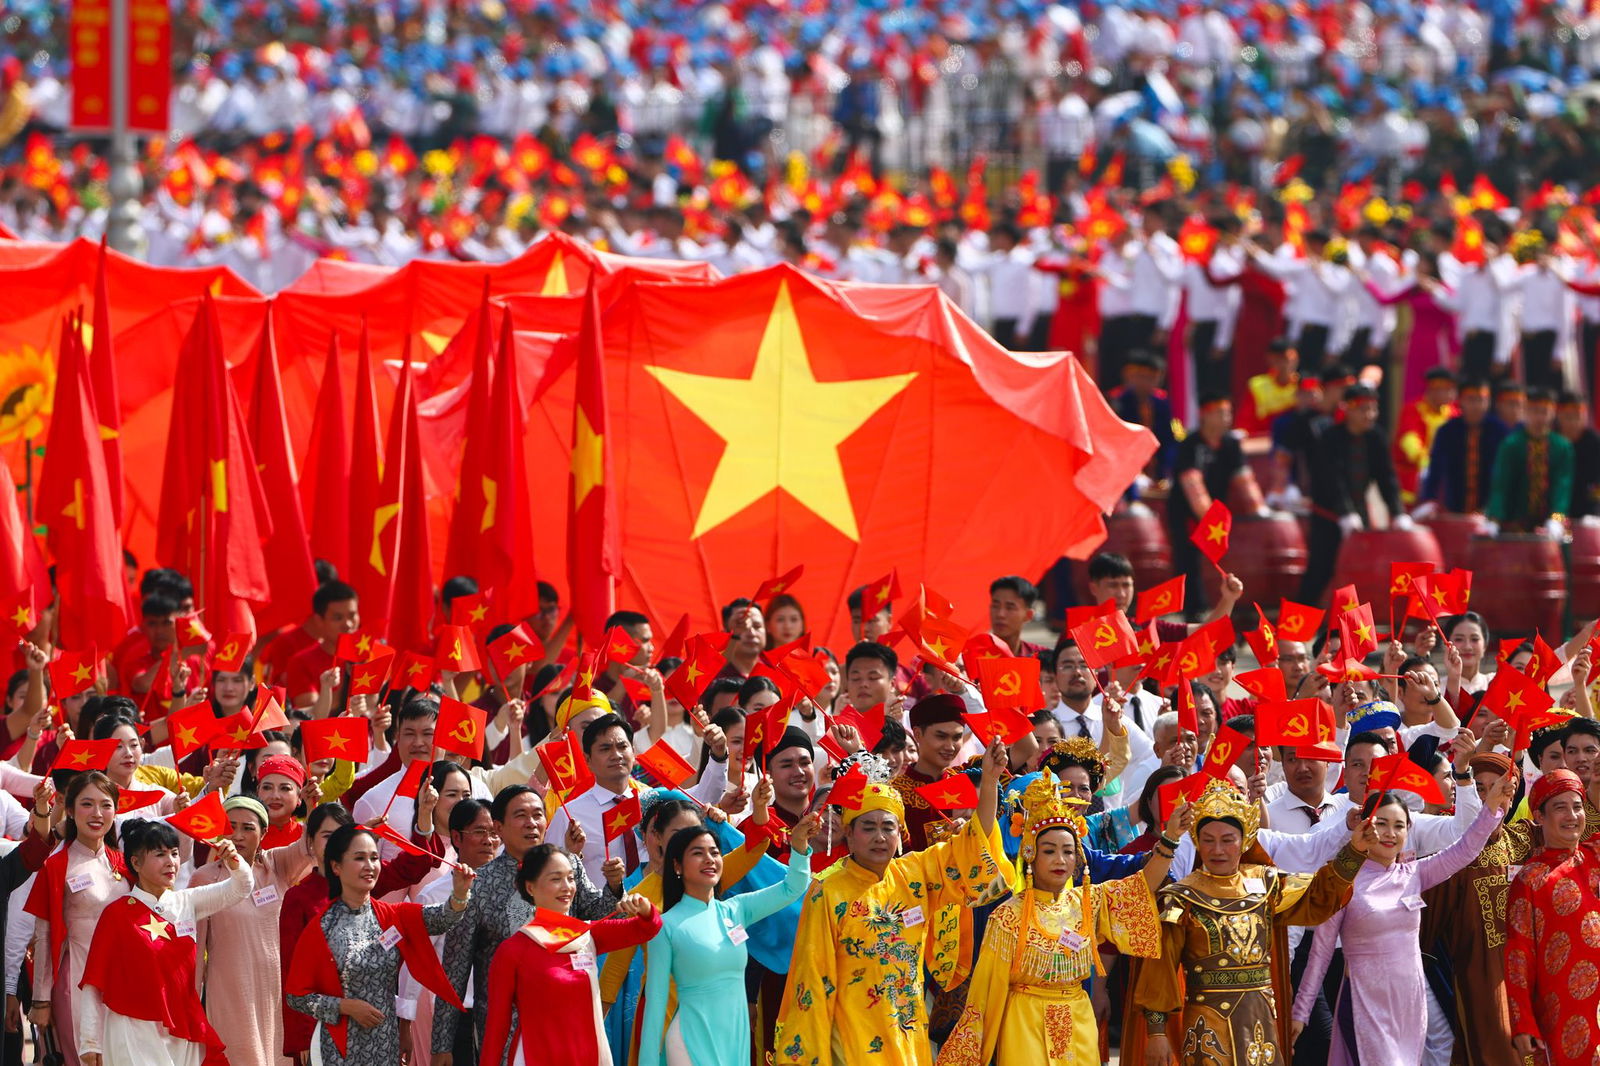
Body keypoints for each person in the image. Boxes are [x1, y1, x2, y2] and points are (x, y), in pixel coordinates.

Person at [773, 742, 1014, 1066]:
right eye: (868, 828)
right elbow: (813, 976)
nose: (879, 837)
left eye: (887, 827)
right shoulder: (828, 890)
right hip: (850, 1035)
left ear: (900, 833)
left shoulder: (914, 873)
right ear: (849, 832)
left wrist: (988, 781)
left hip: (906, 1028)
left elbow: (972, 846)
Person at [935, 776, 1183, 1066]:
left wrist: (1169, 840)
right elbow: (986, 993)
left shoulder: (1087, 902)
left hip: (1078, 1019)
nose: (1060, 860)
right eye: (1049, 851)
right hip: (1024, 1021)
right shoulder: (1008, 916)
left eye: (1068, 851)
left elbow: (1141, 887)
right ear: (1030, 855)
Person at [1127, 778, 1365, 1066]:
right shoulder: (1180, 898)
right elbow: (1160, 970)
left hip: (1259, 1020)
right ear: (1197, 843)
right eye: (1208, 840)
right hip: (1206, 1026)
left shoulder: (1266, 884)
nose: (1218, 850)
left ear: (1244, 841)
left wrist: (1355, 851)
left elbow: (1317, 898)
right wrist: (1156, 1033)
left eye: (1227, 840)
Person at [1291, 773, 1514, 1065]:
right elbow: (1319, 955)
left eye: (1399, 826)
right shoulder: (1342, 880)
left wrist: (1492, 809)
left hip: (1409, 1003)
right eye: (1381, 824)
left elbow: (1466, 849)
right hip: (1364, 1004)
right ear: (1363, 827)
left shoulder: (1415, 874)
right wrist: (1300, 1013)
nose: (1390, 833)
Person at [436, 784, 619, 1063]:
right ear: (498, 827)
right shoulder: (480, 884)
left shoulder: (567, 865)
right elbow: (455, 968)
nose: (531, 823)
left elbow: (601, 915)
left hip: (565, 1024)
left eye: (537, 814)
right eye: (521, 815)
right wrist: (442, 1045)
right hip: (504, 1031)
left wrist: (616, 888)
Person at [285, 823, 475, 1066]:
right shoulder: (321, 927)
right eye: (359, 858)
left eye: (374, 857)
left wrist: (459, 893)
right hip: (338, 1049)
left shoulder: (391, 916)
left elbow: (442, 918)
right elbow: (297, 997)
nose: (370, 866)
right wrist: (346, 1007)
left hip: (385, 1045)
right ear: (336, 867)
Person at [638, 811, 819, 1066]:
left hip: (735, 1036)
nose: (710, 859)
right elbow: (656, 1006)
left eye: (714, 852)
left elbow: (794, 886)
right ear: (677, 866)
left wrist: (800, 846)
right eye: (697, 853)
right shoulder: (666, 926)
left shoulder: (736, 910)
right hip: (691, 1040)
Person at [76, 819, 254, 1066]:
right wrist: (90, 1041)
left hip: (183, 1025)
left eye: (174, 854)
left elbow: (241, 887)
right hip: (133, 1028)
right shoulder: (116, 914)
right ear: (136, 862)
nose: (171, 862)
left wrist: (234, 861)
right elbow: (94, 982)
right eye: (160, 854)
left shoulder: (186, 902)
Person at [479, 846, 660, 1066]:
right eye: (556, 879)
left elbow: (647, 928)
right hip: (534, 1058)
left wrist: (644, 907)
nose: (567, 887)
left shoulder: (587, 934)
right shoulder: (512, 951)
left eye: (571, 878)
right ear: (530, 887)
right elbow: (497, 1026)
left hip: (589, 1057)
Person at [190, 793, 329, 1066]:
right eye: (230, 827)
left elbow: (306, 845)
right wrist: (192, 1004)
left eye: (248, 828)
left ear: (264, 832)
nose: (237, 836)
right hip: (231, 990)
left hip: (277, 989)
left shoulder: (276, 866)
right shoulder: (204, 877)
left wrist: (312, 806)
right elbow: (194, 951)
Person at [25, 771, 131, 1066]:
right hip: (77, 983)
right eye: (86, 804)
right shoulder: (57, 866)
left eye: (105, 804)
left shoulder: (124, 863)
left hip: (122, 982)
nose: (97, 814)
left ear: (116, 810)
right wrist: (41, 1000)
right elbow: (45, 936)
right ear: (69, 811)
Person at [1507, 769, 1600, 1066]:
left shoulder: (1595, 854)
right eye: (1560, 807)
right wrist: (1522, 1023)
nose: (1572, 815)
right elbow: (1519, 957)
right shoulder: (1529, 879)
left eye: (1577, 806)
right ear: (1539, 816)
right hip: (1563, 1010)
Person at [1300, 381, 1407, 604]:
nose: (1369, 415)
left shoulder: (1376, 437)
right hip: (1328, 517)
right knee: (1319, 572)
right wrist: (1345, 512)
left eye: (1373, 409)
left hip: (1359, 517)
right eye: (1362, 409)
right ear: (1347, 408)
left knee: (1358, 576)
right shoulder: (1330, 438)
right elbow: (1332, 481)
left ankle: (1352, 633)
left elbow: (1386, 478)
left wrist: (1398, 513)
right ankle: (1293, 631)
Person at [1486, 386, 1573, 535]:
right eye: (1534, 411)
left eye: (1544, 412)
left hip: (1550, 527)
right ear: (1525, 411)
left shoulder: (1562, 447)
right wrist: (1494, 519)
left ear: (1553, 413)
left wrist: (1556, 519)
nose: (1540, 418)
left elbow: (1562, 489)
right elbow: (1501, 485)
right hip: (1514, 526)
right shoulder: (1511, 445)